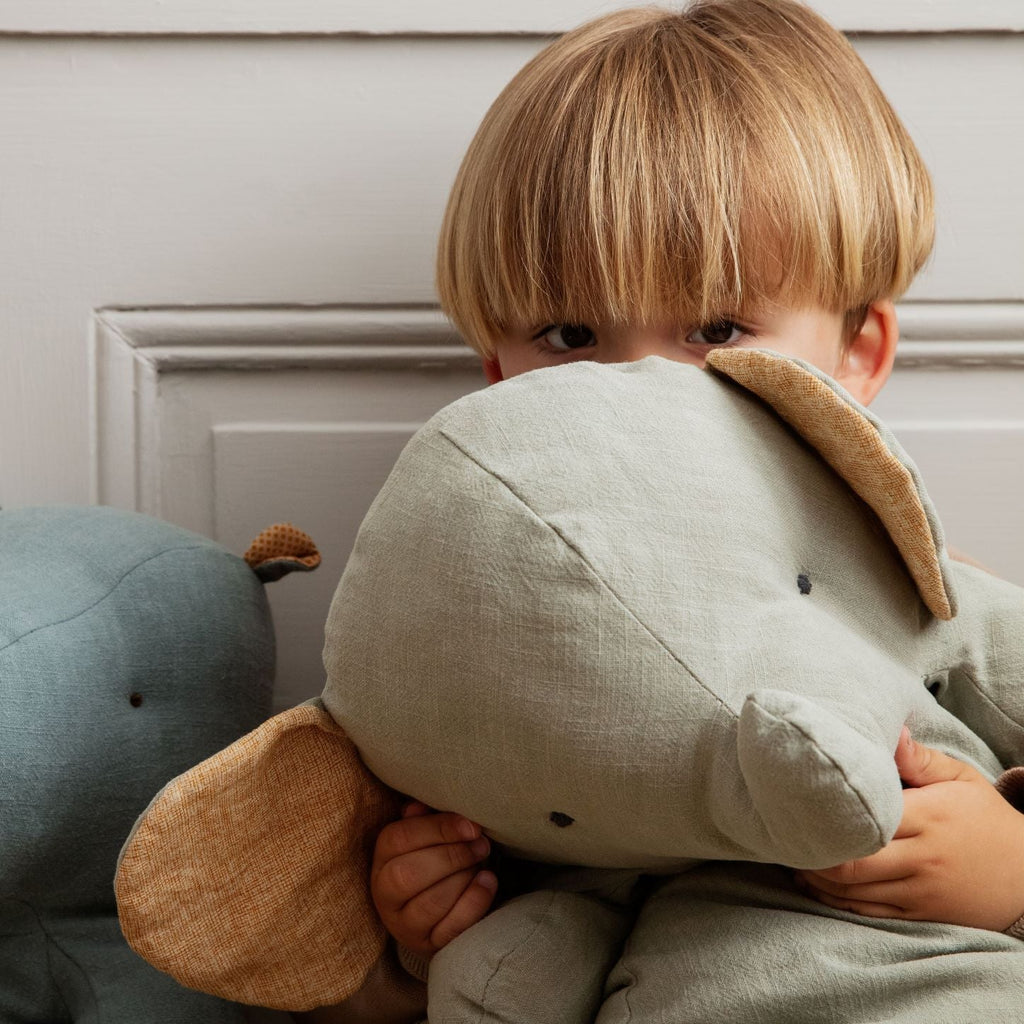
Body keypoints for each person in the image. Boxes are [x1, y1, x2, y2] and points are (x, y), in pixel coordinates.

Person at [304, 1, 1024, 1019]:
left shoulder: (923, 597)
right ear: (495, 376)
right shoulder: (484, 637)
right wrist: (428, 923)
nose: (638, 387)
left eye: (716, 328)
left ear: (857, 354)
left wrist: (1011, 872)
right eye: (568, 333)